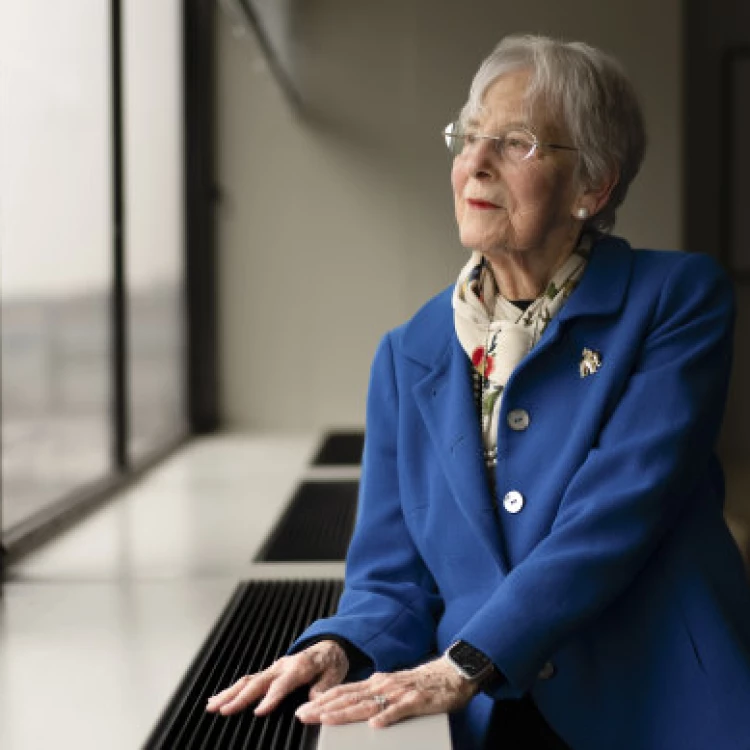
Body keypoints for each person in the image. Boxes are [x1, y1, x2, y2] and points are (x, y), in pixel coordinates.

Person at [206, 34, 750, 749]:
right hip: (490, 719)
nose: (476, 162)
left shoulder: (676, 300)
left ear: (593, 186)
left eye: (516, 141)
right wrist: (340, 644)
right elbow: (391, 573)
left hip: (660, 704)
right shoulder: (409, 354)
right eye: (469, 136)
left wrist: (469, 658)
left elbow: (618, 512)